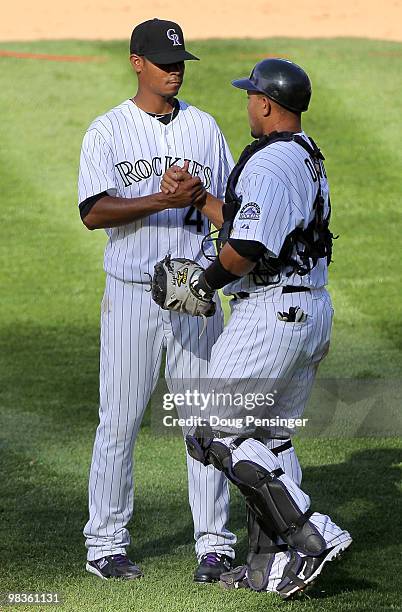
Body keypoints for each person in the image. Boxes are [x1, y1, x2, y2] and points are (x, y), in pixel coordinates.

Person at [158, 58, 352, 598]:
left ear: (265, 104)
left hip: (269, 316)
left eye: (250, 97)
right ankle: (274, 566)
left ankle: (313, 534)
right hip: (306, 310)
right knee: (269, 438)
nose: (247, 104)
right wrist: (202, 199)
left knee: (212, 431)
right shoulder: (304, 155)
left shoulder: (269, 164)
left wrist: (204, 283)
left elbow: (245, 249)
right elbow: (258, 225)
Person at [77, 18, 237, 582]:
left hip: (195, 296)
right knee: (118, 422)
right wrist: (158, 199)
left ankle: (215, 546)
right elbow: (93, 211)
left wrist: (198, 196)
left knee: (207, 423)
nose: (174, 72)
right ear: (136, 62)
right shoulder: (107, 132)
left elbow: (233, 217)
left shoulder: (205, 128)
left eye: (180, 64)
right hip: (131, 298)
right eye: (164, 63)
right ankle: (105, 546)